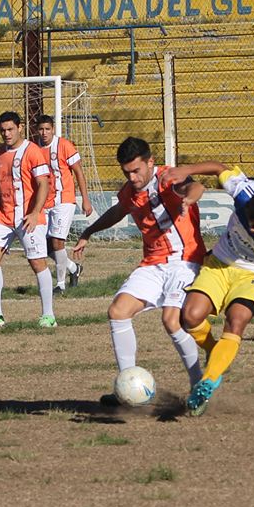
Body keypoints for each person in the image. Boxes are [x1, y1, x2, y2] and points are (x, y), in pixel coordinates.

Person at [160, 162, 254, 417]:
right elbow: (219, 168)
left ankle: (208, 382)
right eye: (249, 223)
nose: (251, 230)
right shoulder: (243, 193)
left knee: (236, 321)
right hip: (220, 262)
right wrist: (186, 170)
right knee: (190, 317)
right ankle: (215, 351)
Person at [72, 137, 207, 402]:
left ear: (150, 162)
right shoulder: (130, 192)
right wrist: (89, 231)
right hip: (153, 265)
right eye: (127, 173)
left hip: (185, 261)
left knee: (171, 321)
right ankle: (127, 386)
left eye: (136, 171)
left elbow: (196, 186)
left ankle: (199, 386)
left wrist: (189, 199)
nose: (132, 178)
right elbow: (118, 211)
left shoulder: (167, 178)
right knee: (117, 312)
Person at [0, 111, 56, 329]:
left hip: (28, 218)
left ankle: (49, 316)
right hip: (3, 217)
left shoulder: (32, 151)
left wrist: (35, 213)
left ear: (20, 128)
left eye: (10, 129)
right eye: (3, 130)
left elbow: (44, 184)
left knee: (37, 263)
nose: (7, 134)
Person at [34, 114, 93, 293]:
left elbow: (79, 172)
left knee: (58, 242)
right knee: (43, 246)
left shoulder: (64, 145)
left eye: (47, 129)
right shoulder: (34, 149)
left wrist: (85, 199)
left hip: (64, 199)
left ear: (53, 129)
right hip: (45, 202)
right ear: (37, 131)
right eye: (41, 129)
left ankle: (60, 284)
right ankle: (74, 268)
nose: (44, 133)